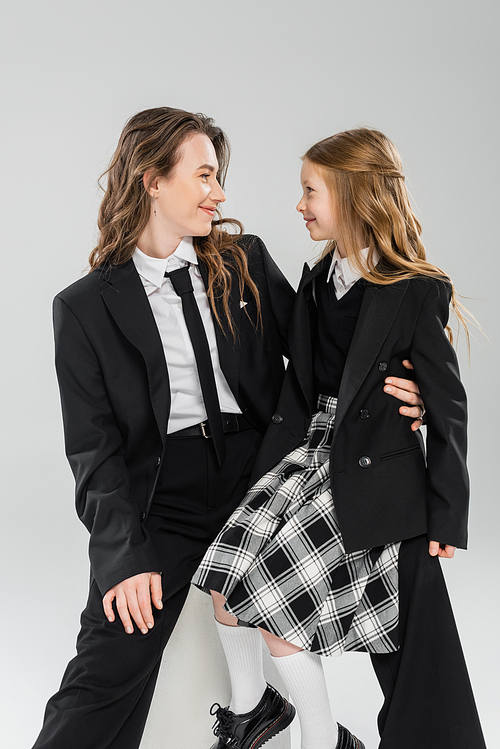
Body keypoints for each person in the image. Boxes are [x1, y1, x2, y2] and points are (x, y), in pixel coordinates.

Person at [31, 110, 423, 749]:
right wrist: (123, 557)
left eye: (219, 176)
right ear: (152, 180)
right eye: (205, 175)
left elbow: (328, 354)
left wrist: (414, 394)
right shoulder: (84, 308)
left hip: (262, 471)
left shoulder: (242, 259)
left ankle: (316, 733)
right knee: (108, 662)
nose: (219, 192)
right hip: (166, 496)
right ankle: (263, 712)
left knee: (374, 604)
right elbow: (93, 451)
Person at [193, 128, 486, 749]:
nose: (299, 205)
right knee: (223, 581)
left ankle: (323, 743)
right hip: (306, 456)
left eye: (310, 191)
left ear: (353, 197)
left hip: (368, 475)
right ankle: (252, 715)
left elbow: (449, 407)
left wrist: (447, 515)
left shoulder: (413, 291)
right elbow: (301, 382)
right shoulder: (320, 279)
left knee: (280, 620)